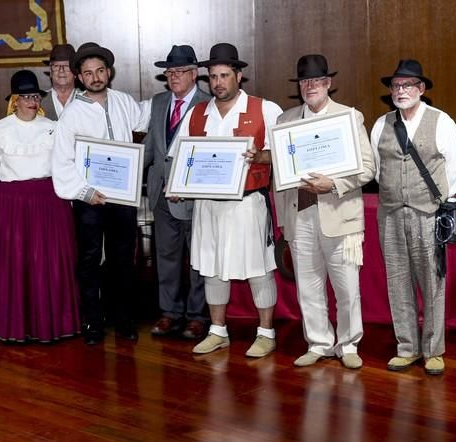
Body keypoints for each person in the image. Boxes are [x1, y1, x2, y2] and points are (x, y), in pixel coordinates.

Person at [172, 43, 282, 357]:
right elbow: (182, 156)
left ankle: (266, 333)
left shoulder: (265, 108)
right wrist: (178, 184)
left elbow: (287, 153)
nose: (218, 82)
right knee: (212, 267)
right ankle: (218, 330)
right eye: (213, 77)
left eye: (224, 75)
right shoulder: (197, 113)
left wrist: (260, 155)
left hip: (248, 203)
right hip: (207, 204)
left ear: (239, 75)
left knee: (258, 268)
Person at [275, 55, 375, 369]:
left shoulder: (349, 117)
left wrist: (332, 183)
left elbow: (368, 169)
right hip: (300, 214)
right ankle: (318, 342)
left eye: (317, 81)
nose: (310, 87)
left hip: (338, 213)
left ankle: (348, 345)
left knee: (346, 285)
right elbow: (280, 173)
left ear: (328, 83)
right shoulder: (285, 121)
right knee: (308, 284)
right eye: (305, 82)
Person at [52, 42, 150, 345]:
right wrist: (84, 192)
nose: (95, 77)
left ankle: (124, 321)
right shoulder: (72, 115)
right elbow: (62, 161)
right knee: (90, 260)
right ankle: (93, 323)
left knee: (124, 259)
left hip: (122, 199)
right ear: (79, 77)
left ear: (108, 72)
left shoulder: (123, 101)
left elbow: (143, 123)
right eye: (88, 73)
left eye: (100, 71)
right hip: (90, 200)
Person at [370, 60, 456, 375]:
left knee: (432, 281)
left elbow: (453, 168)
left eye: (407, 85)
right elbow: (377, 170)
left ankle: (434, 350)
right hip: (391, 213)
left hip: (428, 213)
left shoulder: (442, 122)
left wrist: (440, 205)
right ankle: (407, 347)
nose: (400, 91)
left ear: (421, 89)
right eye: (396, 86)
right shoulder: (381, 124)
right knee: (397, 281)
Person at [0, 70, 80, 342]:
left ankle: (54, 323)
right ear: (14, 100)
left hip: (49, 201)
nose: (32, 101)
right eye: (25, 97)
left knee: (49, 261)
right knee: (15, 262)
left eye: (35, 96)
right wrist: (13, 197)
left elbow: (64, 163)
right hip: (11, 205)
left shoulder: (53, 128)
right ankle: (16, 325)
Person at [144, 45, 211, 339]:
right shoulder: (158, 102)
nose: (174, 77)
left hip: (194, 197)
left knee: (197, 259)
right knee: (166, 258)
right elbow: (149, 147)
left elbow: (210, 154)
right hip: (160, 194)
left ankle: (197, 316)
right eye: (170, 72)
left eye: (180, 71)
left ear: (194, 74)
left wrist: (186, 184)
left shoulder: (208, 104)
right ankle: (169, 312)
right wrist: (125, 175)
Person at [40, 44, 77, 121]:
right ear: (50, 71)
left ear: (75, 72)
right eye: (56, 66)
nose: (61, 70)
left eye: (67, 66)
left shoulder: (87, 99)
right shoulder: (38, 100)